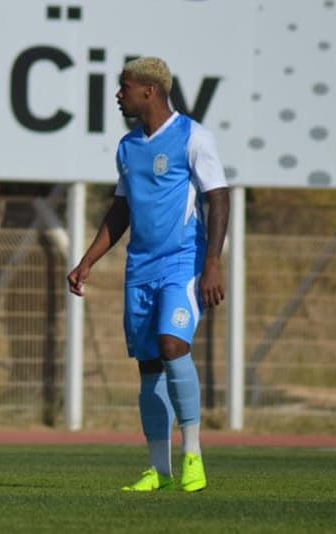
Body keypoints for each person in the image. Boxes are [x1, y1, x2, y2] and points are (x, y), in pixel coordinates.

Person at [67, 57, 229, 493]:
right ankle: (159, 470)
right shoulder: (127, 147)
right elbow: (121, 210)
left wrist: (212, 262)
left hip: (183, 261)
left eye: (125, 87)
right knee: (149, 364)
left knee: (173, 344)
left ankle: (193, 455)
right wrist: (87, 260)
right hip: (140, 268)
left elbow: (218, 197)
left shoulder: (193, 137)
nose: (118, 95)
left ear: (149, 91)